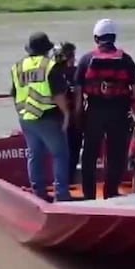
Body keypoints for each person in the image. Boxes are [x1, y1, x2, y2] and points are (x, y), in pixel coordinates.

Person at [74, 19, 135, 200]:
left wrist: (78, 116)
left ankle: (89, 194)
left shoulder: (86, 60)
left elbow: (79, 93)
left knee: (89, 154)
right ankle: (111, 193)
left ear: (96, 38)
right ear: (114, 37)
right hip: (119, 113)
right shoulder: (126, 60)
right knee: (116, 155)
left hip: (95, 112)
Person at [10, 32, 72, 202]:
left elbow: (14, 94)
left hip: (26, 118)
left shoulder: (17, 67)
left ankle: (39, 194)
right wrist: (66, 114)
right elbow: (58, 94)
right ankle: (61, 195)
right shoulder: (50, 66)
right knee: (60, 155)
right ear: (46, 49)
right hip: (48, 117)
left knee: (34, 154)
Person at [53, 42, 82, 181]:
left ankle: (67, 180)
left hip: (64, 117)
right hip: (63, 117)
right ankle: (65, 180)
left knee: (69, 151)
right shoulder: (54, 72)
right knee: (67, 152)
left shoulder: (75, 71)